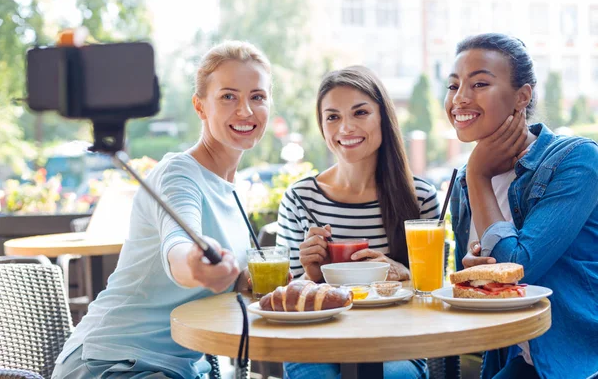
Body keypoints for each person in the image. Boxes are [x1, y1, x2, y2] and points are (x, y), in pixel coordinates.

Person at [52, 40, 273, 379]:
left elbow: (236, 282)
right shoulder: (178, 174)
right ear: (200, 107)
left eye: (257, 96)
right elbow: (180, 250)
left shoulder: (232, 190)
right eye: (228, 96)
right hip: (113, 362)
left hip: (180, 368)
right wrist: (197, 265)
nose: (245, 110)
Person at [445, 33, 598, 379]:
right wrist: (475, 277)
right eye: (453, 86)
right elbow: (472, 293)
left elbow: (517, 268)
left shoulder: (576, 161)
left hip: (577, 362)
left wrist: (480, 177)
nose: (460, 99)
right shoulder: (464, 179)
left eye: (479, 83)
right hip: (517, 360)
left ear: (522, 96)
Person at [277, 66, 439, 379]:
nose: (346, 128)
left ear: (384, 117)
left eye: (360, 112)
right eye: (332, 117)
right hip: (314, 343)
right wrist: (311, 276)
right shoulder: (301, 198)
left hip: (396, 343)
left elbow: (434, 294)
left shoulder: (420, 197)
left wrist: (401, 273)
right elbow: (283, 298)